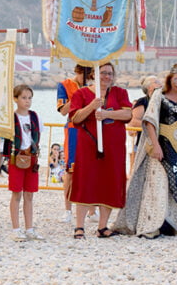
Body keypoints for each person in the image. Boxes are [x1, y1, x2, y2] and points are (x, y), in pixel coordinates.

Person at [114, 63, 177, 238]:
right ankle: (152, 223)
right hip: (163, 146)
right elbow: (149, 121)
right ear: (170, 79)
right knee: (158, 185)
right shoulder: (159, 96)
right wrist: (155, 145)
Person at [68, 63, 132, 239]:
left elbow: (128, 115)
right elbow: (75, 118)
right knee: (85, 182)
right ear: (94, 74)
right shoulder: (81, 94)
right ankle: (79, 226)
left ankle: (102, 227)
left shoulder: (120, 93)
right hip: (88, 146)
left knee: (109, 183)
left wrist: (106, 114)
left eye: (110, 73)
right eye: (103, 73)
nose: (107, 77)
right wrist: (92, 107)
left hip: (114, 147)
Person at [2, 85, 45, 241]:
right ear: (15, 99)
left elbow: (39, 134)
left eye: (29, 98)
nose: (27, 101)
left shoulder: (35, 117)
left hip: (32, 158)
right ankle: (16, 229)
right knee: (16, 194)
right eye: (24, 98)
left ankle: (29, 229)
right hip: (16, 158)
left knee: (29, 195)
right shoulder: (10, 119)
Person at [56, 64, 92, 223]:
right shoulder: (64, 85)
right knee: (70, 170)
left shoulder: (93, 86)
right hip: (73, 129)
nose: (87, 79)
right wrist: (78, 95)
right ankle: (68, 210)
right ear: (77, 72)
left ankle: (92, 210)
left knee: (92, 169)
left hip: (90, 129)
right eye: (85, 75)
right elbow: (63, 110)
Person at [127, 75, 162, 176]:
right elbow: (134, 121)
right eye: (157, 82)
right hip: (145, 142)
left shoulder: (164, 100)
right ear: (149, 87)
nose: (161, 84)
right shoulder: (143, 101)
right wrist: (152, 126)